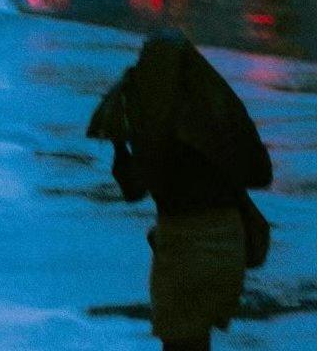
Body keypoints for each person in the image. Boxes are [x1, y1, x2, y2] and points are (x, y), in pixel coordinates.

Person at [88, 33, 272, 351]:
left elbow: (133, 188)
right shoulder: (214, 111)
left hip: (181, 246)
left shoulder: (155, 125)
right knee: (196, 341)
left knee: (181, 342)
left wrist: (120, 140)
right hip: (227, 243)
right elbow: (257, 171)